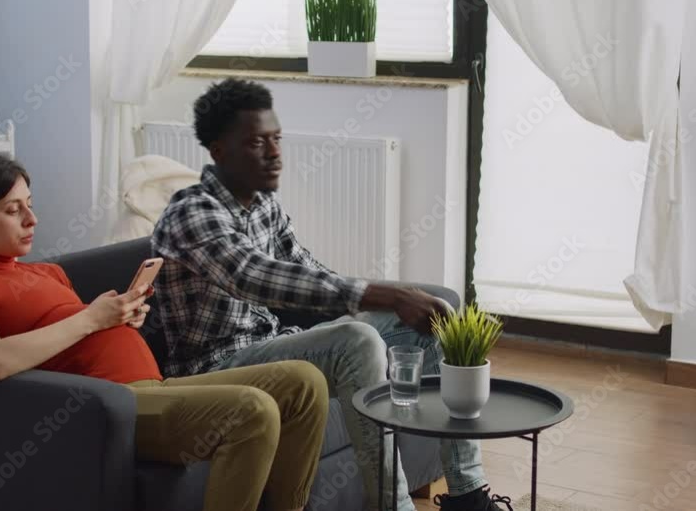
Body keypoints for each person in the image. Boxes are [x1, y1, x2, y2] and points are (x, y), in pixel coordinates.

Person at [152, 78, 511, 511]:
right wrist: (388, 296)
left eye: (276, 138)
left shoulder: (262, 205)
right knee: (355, 341)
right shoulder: (191, 213)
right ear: (219, 151)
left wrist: (400, 299)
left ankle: (469, 495)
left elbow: (309, 273)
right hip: (214, 369)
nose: (274, 152)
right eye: (256, 143)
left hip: (272, 345)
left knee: (432, 318)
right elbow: (254, 277)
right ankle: (392, 506)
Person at [0, 150, 330, 511]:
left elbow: (74, 339)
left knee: (303, 382)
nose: (32, 219)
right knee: (252, 410)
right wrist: (91, 318)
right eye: (13, 210)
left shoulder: (48, 273)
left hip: (156, 387)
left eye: (29, 205)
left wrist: (117, 317)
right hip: (110, 406)